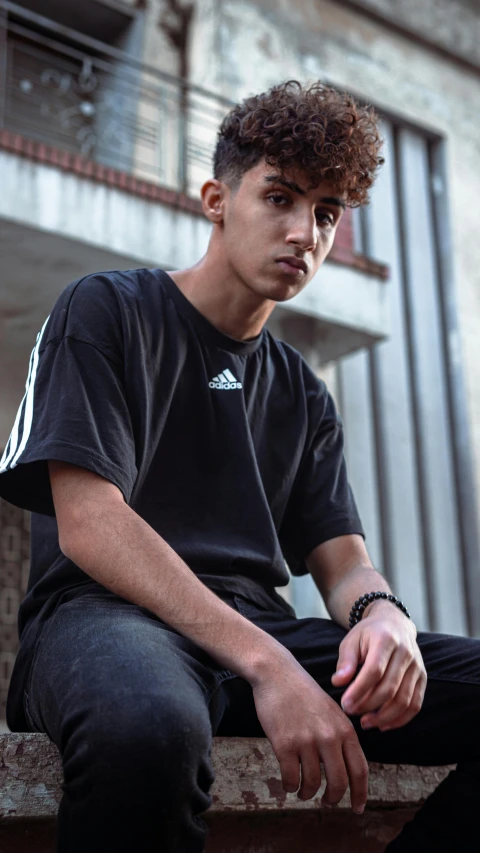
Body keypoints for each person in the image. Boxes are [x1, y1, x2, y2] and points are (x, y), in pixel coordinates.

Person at [0, 80, 478, 853]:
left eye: (326, 213)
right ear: (217, 198)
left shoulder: (301, 391)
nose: (305, 233)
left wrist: (382, 614)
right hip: (106, 619)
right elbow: (90, 524)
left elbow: (345, 563)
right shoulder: (106, 310)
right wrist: (270, 665)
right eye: (281, 198)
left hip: (259, 630)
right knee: (146, 731)